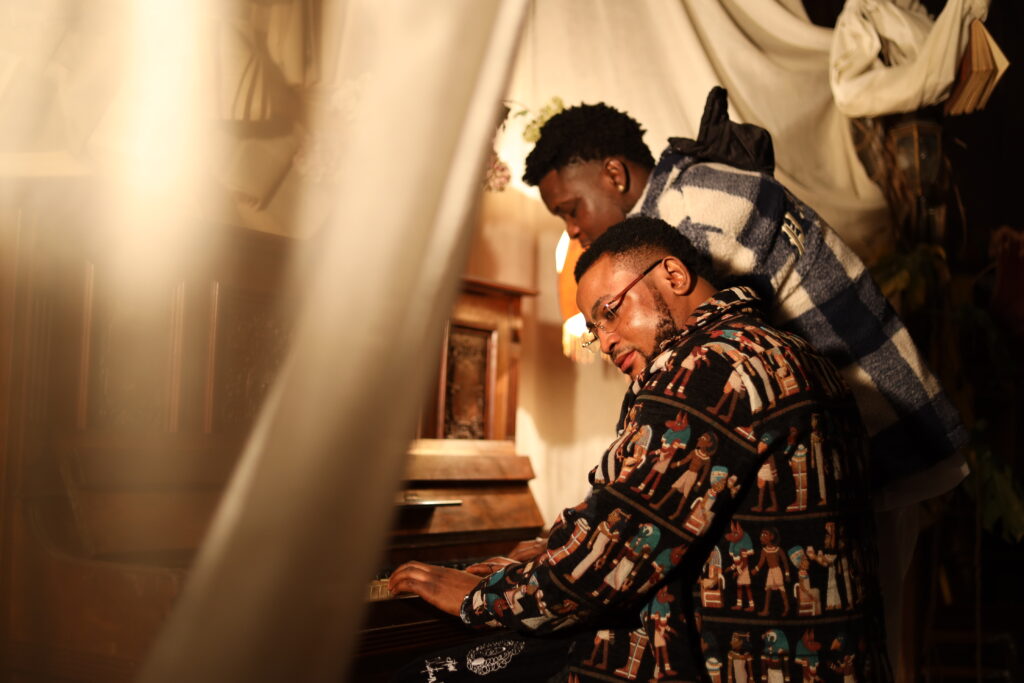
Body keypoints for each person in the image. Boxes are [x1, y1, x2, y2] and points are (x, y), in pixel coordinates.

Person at [388, 216, 892, 682]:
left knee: (421, 676)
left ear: (673, 275)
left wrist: (478, 597)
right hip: (833, 662)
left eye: (610, 312)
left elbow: (612, 557)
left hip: (737, 665)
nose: (606, 342)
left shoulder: (707, 367)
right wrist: (558, 549)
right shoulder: (786, 350)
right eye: (595, 330)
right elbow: (665, 517)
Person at [522, 92, 966, 507]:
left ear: (614, 175)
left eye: (571, 209)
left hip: (883, 429)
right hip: (858, 436)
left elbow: (686, 383)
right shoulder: (684, 198)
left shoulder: (695, 209)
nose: (572, 230)